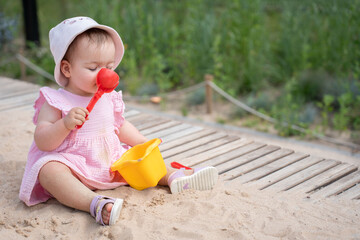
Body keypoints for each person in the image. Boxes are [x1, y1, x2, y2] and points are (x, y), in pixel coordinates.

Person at [19, 16, 218, 226]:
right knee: (48, 171)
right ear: (67, 69)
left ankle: (173, 177)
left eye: (109, 67)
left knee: (139, 158)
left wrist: (143, 143)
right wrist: (64, 124)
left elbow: (119, 126)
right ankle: (94, 203)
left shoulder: (108, 97)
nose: (103, 74)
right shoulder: (56, 101)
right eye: (93, 68)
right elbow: (42, 141)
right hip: (73, 163)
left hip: (110, 159)